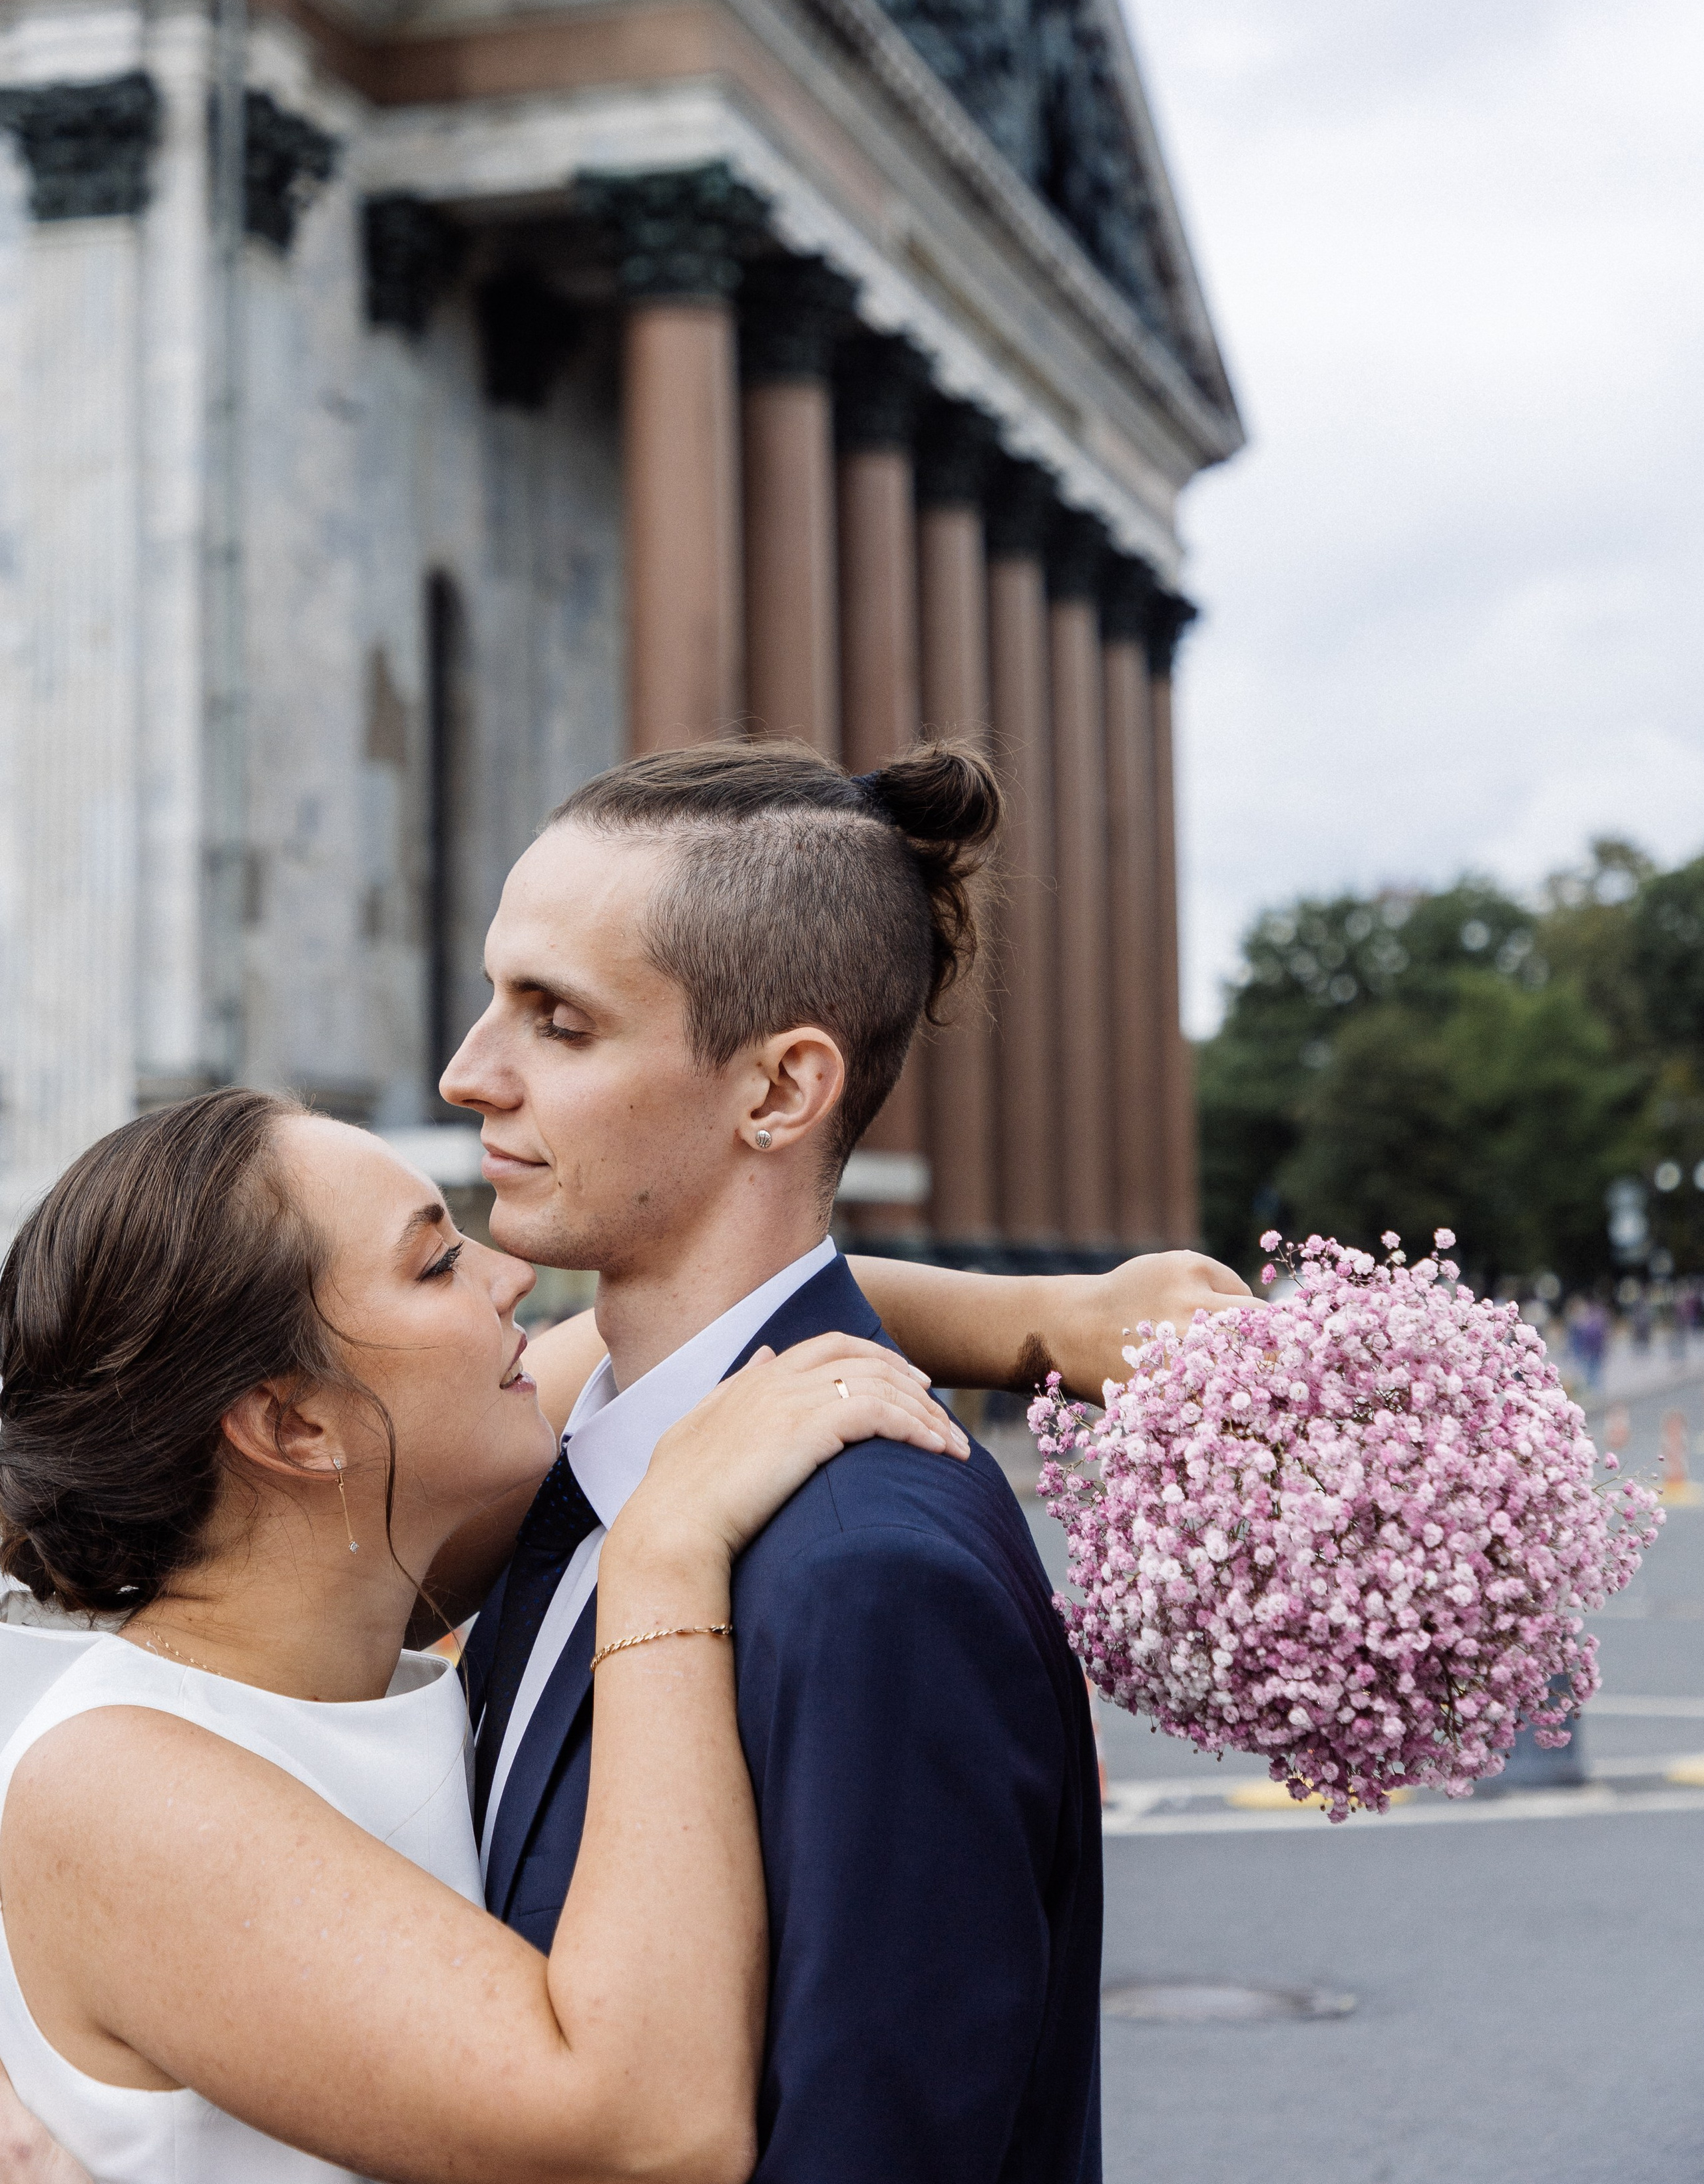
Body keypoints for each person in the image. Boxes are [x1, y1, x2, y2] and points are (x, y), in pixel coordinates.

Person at [435, 738, 1249, 2184]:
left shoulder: (873, 1575)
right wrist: (1033, 1321)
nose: (465, 1075)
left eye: (553, 1020)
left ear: (777, 1092)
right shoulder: (561, 1454)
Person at [0, 1087, 968, 2182]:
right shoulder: (122, 1793)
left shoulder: (346, 1609)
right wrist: (662, 1555)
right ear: (294, 1425)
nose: (509, 1273)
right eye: (435, 1264)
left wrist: (1068, 1320)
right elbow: (649, 2133)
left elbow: (702, 1322)